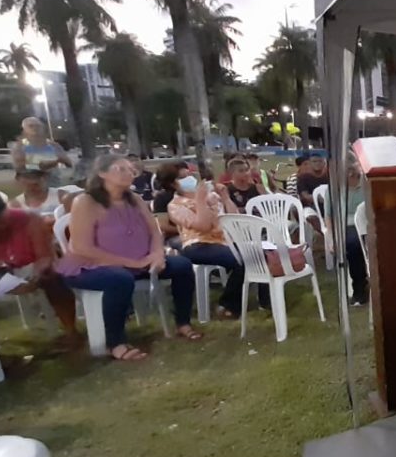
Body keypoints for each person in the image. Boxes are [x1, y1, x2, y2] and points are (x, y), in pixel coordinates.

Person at [56, 154, 201, 361]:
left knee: (182, 266)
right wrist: (133, 263)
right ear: (102, 173)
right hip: (91, 265)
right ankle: (115, 342)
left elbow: (155, 232)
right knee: (119, 279)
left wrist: (157, 254)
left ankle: (183, 323)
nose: (128, 173)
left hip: (139, 260)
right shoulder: (85, 202)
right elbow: (82, 247)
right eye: (120, 169)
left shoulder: (135, 200)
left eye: (130, 169)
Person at [167, 172, 271, 317]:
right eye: (182, 177)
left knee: (259, 254)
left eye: (190, 175)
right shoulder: (175, 206)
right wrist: (200, 201)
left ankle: (265, 302)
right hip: (198, 244)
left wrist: (225, 197)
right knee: (242, 259)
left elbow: (235, 216)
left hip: (224, 241)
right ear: (173, 184)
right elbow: (203, 226)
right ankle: (228, 305)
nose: (189, 179)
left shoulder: (212, 197)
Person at [0, 192, 81, 347]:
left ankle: (71, 331)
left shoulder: (30, 220)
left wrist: (37, 274)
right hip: (0, 272)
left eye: (0, 219)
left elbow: (44, 256)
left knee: (52, 278)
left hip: (29, 267)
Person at [11, 116, 74, 183]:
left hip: (53, 182)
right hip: (32, 183)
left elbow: (68, 162)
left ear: (42, 128)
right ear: (24, 129)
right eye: (31, 126)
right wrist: (53, 160)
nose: (35, 128)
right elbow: (21, 166)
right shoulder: (20, 146)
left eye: (38, 126)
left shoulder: (53, 145)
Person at [344, 154, 369, 305]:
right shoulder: (333, 189)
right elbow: (329, 216)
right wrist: (330, 234)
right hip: (345, 226)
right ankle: (359, 288)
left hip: (364, 224)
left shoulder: (365, 186)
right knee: (353, 244)